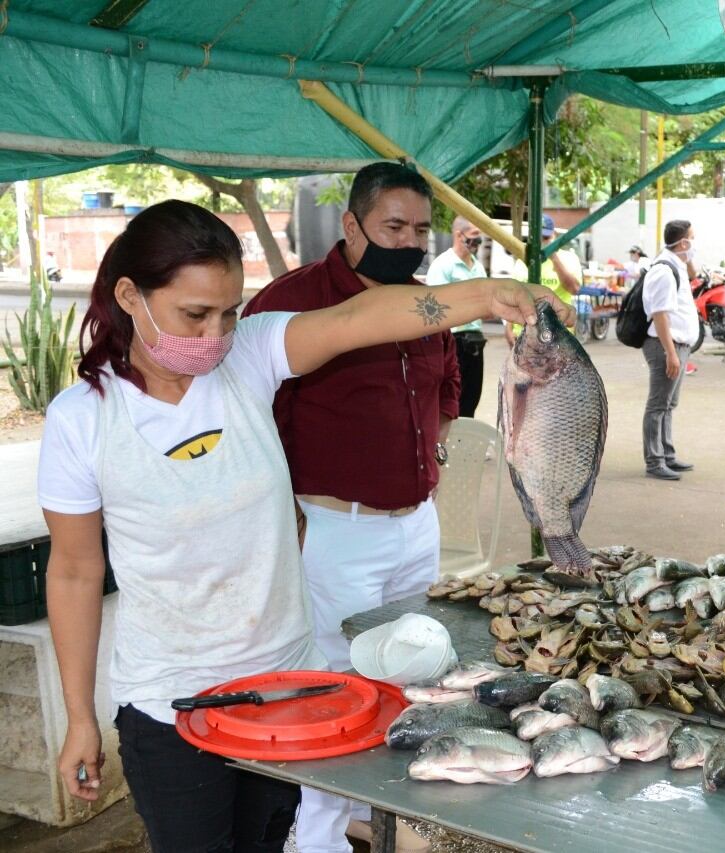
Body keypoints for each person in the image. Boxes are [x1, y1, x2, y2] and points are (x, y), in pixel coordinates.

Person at [40, 199, 574, 853]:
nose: (215, 333)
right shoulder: (83, 419)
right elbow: (75, 570)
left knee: (270, 840)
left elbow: (358, 318)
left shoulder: (247, 357)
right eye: (194, 314)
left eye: (229, 312)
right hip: (170, 700)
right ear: (130, 296)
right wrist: (79, 718)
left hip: (288, 685)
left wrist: (490, 295)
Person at [242, 164, 573, 853]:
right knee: (334, 686)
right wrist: (284, 511)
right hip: (329, 529)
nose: (411, 241)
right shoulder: (293, 303)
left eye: (421, 229)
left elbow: (448, 382)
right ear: (351, 225)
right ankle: (318, 837)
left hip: (415, 525)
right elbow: (248, 418)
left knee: (412, 674)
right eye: (393, 226)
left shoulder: (429, 304)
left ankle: (376, 812)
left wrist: (432, 444)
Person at [641, 219, 700, 481]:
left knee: (668, 404)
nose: (695, 243)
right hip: (665, 346)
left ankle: (667, 454)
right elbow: (660, 314)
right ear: (683, 242)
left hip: (678, 345)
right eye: (692, 238)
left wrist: (689, 257)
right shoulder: (664, 270)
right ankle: (654, 461)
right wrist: (671, 354)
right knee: (658, 404)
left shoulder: (677, 265)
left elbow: (694, 275)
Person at [426, 215, 487, 417]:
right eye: (474, 235)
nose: (478, 240)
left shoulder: (477, 267)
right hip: (453, 340)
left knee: (471, 399)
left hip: (475, 341)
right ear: (459, 235)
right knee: (451, 401)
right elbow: (435, 307)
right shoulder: (443, 265)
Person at [505, 213, 583, 346]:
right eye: (538, 238)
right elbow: (514, 297)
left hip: (556, 335)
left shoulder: (569, 259)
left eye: (546, 238)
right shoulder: (523, 261)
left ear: (554, 236)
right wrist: (508, 328)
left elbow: (574, 288)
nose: (542, 242)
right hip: (524, 335)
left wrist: (554, 258)